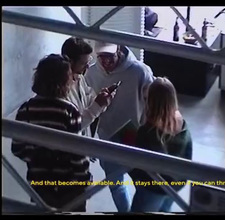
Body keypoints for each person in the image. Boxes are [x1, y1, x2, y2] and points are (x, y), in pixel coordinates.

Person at [11, 54, 91, 211]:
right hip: (70, 184)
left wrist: (38, 157)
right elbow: (77, 153)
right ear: (65, 81)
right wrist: (85, 179)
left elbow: (18, 148)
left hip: (39, 183)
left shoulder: (26, 109)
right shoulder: (69, 111)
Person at [84, 41, 154, 212]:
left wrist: (149, 134)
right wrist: (89, 140)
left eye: (110, 56)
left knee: (144, 185)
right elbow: (86, 105)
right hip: (106, 136)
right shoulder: (91, 73)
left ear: (119, 51)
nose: (105, 62)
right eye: (101, 57)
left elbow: (153, 104)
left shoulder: (140, 71)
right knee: (115, 184)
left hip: (134, 135)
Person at [129, 77, 193, 212]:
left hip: (152, 187)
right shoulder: (181, 122)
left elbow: (139, 164)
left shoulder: (147, 131)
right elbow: (188, 152)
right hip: (174, 187)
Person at [61, 37, 115, 137]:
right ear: (70, 62)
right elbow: (73, 126)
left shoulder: (80, 79)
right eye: (83, 63)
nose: (88, 67)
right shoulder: (61, 90)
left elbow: (90, 102)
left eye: (89, 61)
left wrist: (102, 100)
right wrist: (97, 106)